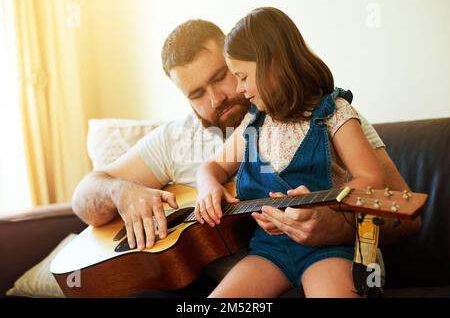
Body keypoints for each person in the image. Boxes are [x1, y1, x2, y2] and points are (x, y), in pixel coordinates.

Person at [71, 17, 420, 294]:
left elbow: (401, 211)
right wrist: (123, 191)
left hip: (330, 259)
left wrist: (338, 227)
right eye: (196, 93)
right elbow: (86, 194)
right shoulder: (181, 138)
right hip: (258, 261)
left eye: (226, 76)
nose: (220, 97)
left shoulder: (333, 115)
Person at [193, 7, 399, 298]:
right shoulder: (253, 123)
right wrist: (207, 187)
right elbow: (212, 167)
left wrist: (324, 209)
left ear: (272, 65)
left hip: (332, 248)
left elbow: (373, 179)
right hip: (269, 250)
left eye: (243, 77)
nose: (240, 89)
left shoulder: (334, 112)